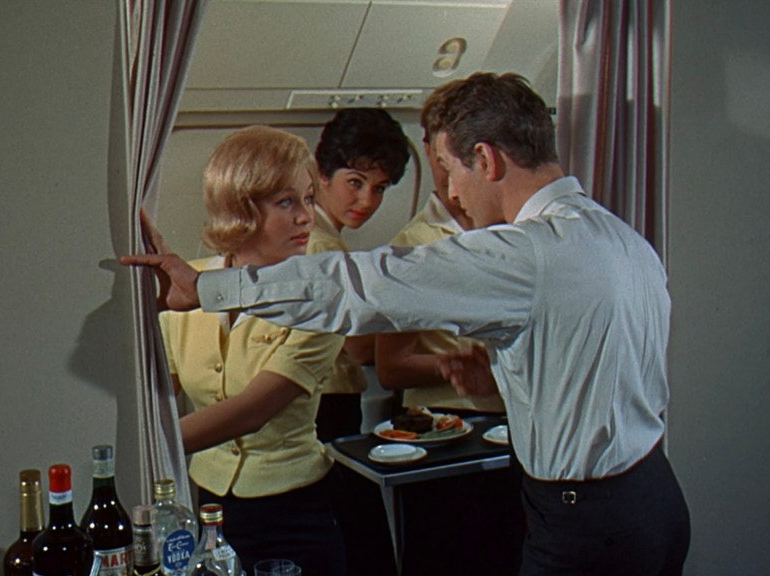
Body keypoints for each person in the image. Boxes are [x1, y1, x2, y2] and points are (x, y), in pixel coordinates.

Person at [124, 72, 691, 576]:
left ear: (486, 161)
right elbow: (597, 372)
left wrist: (208, 289)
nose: (453, 192)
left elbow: (366, 284)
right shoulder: (620, 237)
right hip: (653, 496)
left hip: (585, 521)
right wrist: (501, 377)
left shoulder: (525, 252)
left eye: (449, 169)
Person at [155, 126, 346, 576]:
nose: (306, 217)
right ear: (240, 208)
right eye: (287, 202)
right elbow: (161, 394)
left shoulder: (319, 296)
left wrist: (150, 445)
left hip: (296, 510)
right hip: (208, 506)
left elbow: (252, 410)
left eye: (308, 199)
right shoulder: (185, 288)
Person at [373, 104, 522, 576]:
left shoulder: (514, 229)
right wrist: (458, 364)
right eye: (442, 159)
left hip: (514, 423)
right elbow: (391, 367)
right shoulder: (414, 243)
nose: (452, 177)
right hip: (443, 430)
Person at [310, 107, 411, 441]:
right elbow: (358, 349)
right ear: (322, 173)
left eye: (379, 188)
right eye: (355, 182)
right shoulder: (324, 248)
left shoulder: (314, 236)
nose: (366, 201)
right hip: (327, 402)